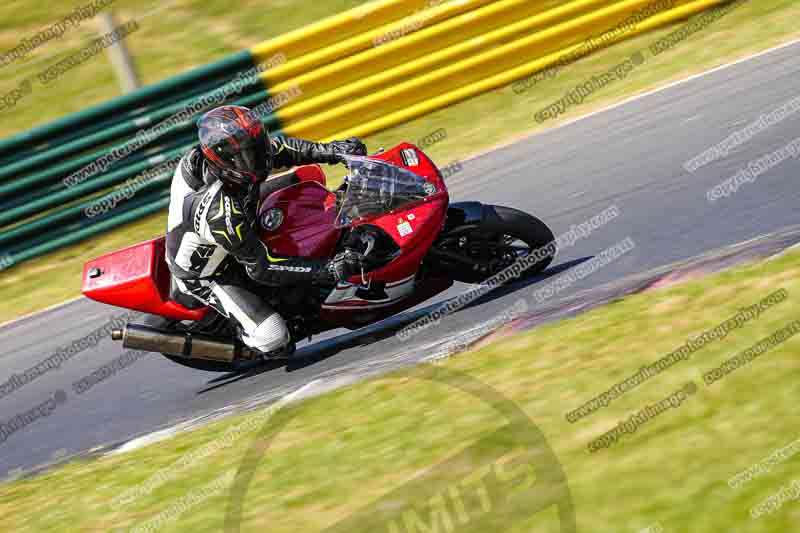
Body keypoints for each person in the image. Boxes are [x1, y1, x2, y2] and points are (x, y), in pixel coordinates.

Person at [165, 105, 367, 358]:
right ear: (225, 161)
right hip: (210, 272)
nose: (259, 157)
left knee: (308, 177)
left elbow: (281, 149)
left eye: (256, 145)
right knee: (273, 337)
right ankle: (249, 343)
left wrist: (333, 151)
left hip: (240, 219)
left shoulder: (228, 156)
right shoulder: (218, 213)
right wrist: (325, 270)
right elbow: (262, 267)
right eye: (248, 154)